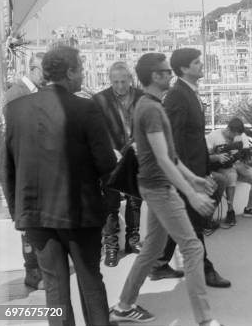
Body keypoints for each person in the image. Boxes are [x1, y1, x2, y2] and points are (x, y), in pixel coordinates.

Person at [4, 46, 117, 325]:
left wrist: (17, 212)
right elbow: (106, 163)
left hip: (34, 215)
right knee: (90, 282)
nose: (82, 75)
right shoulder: (86, 107)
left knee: (54, 288)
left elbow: (6, 165)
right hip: (80, 213)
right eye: (80, 69)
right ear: (69, 72)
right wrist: (110, 205)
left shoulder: (15, 109)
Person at [110, 53, 223, 325]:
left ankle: (124, 306)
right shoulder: (150, 109)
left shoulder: (150, 105)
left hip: (155, 186)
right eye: (165, 71)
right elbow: (162, 159)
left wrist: (193, 180)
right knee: (193, 248)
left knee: (152, 249)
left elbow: (169, 155)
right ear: (154, 76)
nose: (170, 74)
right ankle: (205, 320)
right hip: (160, 188)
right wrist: (193, 195)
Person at [150, 48, 231, 288]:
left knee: (185, 219)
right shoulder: (177, 96)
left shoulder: (189, 93)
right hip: (188, 173)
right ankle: (205, 269)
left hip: (196, 169)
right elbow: (173, 142)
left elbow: (194, 137)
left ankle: (159, 262)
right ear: (184, 68)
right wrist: (188, 180)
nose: (201, 65)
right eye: (196, 63)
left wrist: (205, 168)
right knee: (193, 223)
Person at [92, 62, 144, 267]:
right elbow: (96, 130)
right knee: (110, 204)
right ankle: (111, 247)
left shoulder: (141, 97)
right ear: (109, 80)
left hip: (135, 156)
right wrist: (109, 150)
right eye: (116, 82)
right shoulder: (99, 100)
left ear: (130, 79)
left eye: (123, 81)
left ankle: (133, 241)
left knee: (135, 200)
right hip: (110, 158)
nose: (120, 86)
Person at [3, 54, 45, 290]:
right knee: (27, 226)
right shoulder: (17, 94)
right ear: (33, 69)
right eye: (44, 71)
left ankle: (37, 269)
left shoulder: (32, 93)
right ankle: (32, 271)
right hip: (23, 168)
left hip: (34, 168)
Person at [207, 117, 252, 226]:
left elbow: (247, 154)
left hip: (239, 164)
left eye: (237, 135)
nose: (235, 138)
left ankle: (249, 208)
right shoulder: (213, 136)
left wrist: (248, 160)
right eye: (233, 135)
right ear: (228, 129)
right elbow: (205, 156)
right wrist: (217, 157)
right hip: (223, 166)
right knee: (231, 175)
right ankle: (230, 211)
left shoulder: (241, 135)